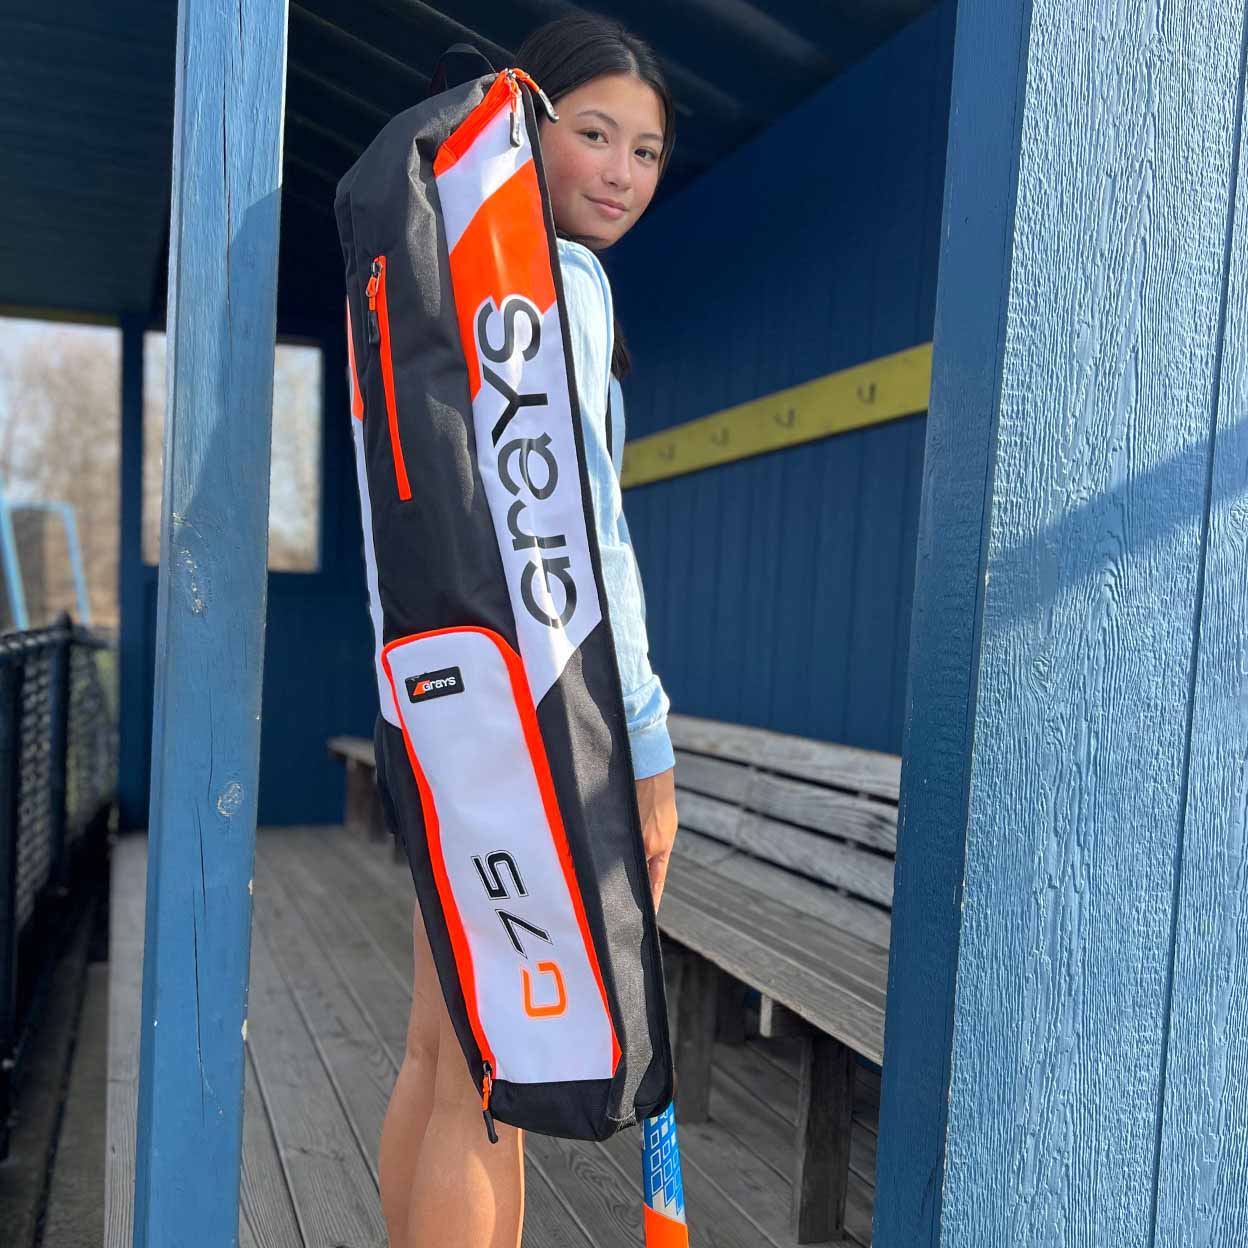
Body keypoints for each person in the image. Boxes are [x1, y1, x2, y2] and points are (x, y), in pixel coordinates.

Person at [375, 14, 680, 1248]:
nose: (621, 173)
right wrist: (645, 742)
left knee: (436, 1046)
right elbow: (591, 534)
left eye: (646, 152)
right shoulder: (561, 284)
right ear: (527, 120)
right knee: (487, 1076)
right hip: (540, 720)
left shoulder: (448, 264)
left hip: (442, 705)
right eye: (595, 134)